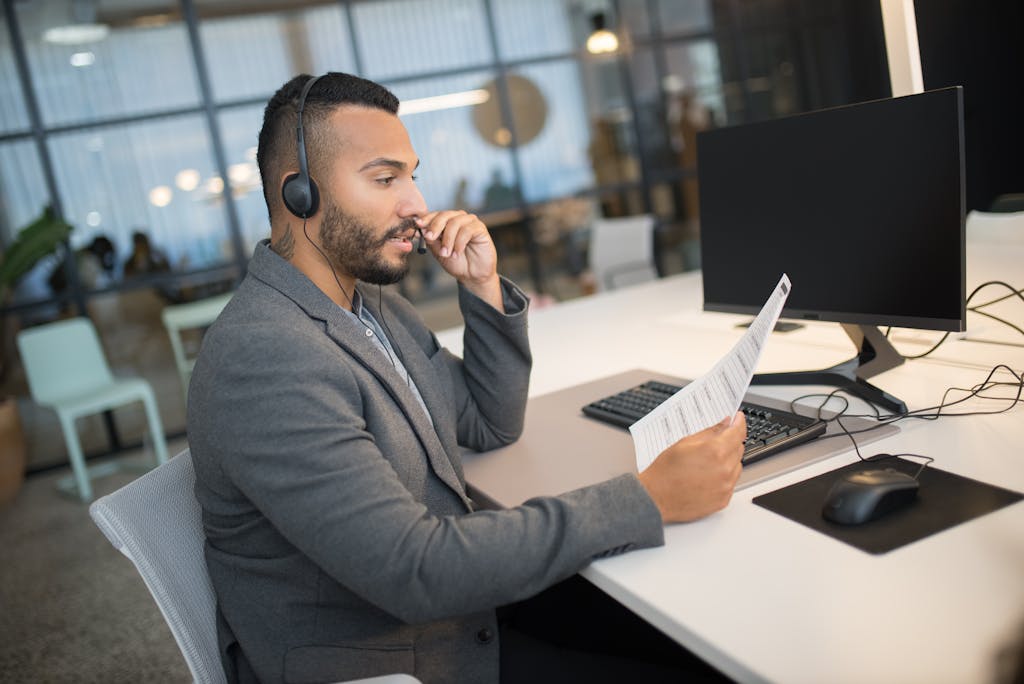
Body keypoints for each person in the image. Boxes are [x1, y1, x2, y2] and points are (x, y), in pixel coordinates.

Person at [187, 72, 746, 684]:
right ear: (300, 195)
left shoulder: (372, 308)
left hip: (463, 617)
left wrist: (481, 286)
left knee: (700, 639)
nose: (417, 205)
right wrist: (649, 498)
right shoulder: (265, 356)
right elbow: (416, 572)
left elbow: (489, 422)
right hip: (400, 659)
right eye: (385, 178)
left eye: (412, 174)